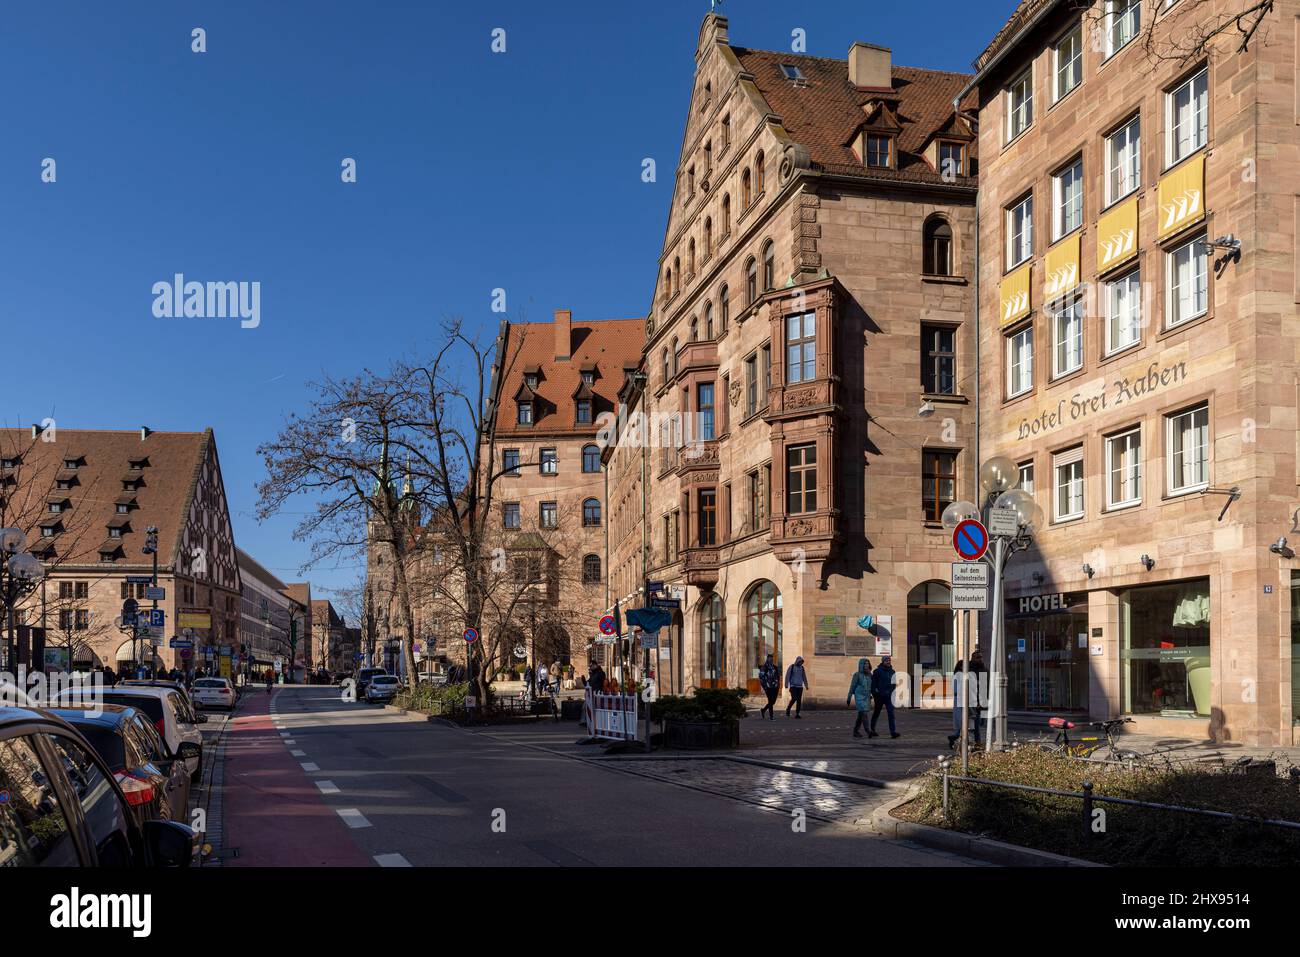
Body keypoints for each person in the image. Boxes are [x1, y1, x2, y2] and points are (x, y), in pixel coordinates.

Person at [948, 650, 987, 749]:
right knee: (971, 724)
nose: (980, 659)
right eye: (978, 657)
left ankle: (963, 740)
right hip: (968, 702)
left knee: (977, 723)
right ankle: (972, 743)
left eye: (981, 657)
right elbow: (957, 689)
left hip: (976, 700)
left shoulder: (983, 669)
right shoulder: (965, 672)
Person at [869, 655, 899, 738]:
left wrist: (892, 692)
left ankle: (893, 732)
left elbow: (894, 684)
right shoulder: (877, 671)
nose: (888, 662)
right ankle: (872, 729)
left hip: (889, 696)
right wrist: (875, 693)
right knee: (876, 713)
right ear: (883, 662)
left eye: (889, 660)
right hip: (879, 697)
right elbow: (873, 684)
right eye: (886, 661)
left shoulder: (892, 672)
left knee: (891, 714)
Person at [846, 657, 874, 738]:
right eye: (865, 664)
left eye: (867, 663)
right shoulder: (857, 675)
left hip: (867, 697)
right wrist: (849, 697)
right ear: (861, 665)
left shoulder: (870, 674)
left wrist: (873, 694)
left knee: (861, 714)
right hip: (859, 696)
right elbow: (852, 686)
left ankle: (855, 731)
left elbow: (871, 686)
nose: (866, 665)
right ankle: (868, 731)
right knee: (864, 713)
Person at [757, 654, 780, 719]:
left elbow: (778, 677)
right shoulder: (764, 667)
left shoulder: (775, 667)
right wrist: (764, 687)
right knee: (770, 701)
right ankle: (771, 716)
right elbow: (761, 677)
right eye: (770, 659)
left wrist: (778, 685)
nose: (771, 660)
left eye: (772, 659)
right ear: (767, 659)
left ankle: (763, 710)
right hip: (768, 687)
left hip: (775, 687)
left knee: (773, 701)